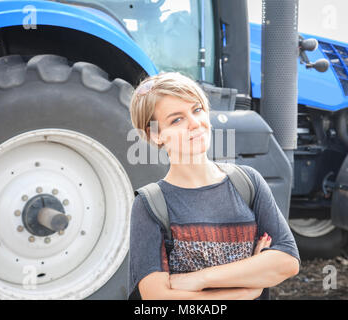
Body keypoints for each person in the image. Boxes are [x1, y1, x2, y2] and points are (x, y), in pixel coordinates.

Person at [128, 72, 300, 300]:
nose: (194, 123)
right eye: (176, 119)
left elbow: (287, 261)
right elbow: (157, 297)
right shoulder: (150, 204)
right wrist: (247, 287)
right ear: (156, 134)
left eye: (197, 110)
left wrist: (198, 279)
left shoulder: (248, 183)